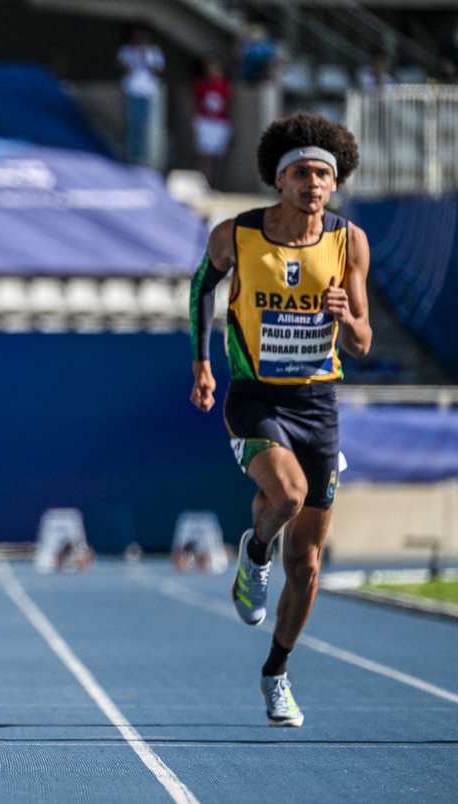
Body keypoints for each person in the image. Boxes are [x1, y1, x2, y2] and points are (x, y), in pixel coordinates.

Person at [188, 111, 371, 727]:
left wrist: (347, 317)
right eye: (301, 173)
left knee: (311, 561)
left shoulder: (349, 242)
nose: (313, 183)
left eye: (324, 173)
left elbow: (364, 341)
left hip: (319, 404)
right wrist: (201, 365)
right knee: (287, 493)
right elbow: (199, 292)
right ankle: (256, 550)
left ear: (336, 181)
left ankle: (277, 672)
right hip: (255, 396)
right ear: (279, 179)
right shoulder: (236, 235)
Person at [116, 26, 165, 165]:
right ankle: (129, 156)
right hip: (132, 91)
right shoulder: (127, 51)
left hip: (147, 92)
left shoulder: (154, 52)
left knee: (143, 126)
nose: (141, 41)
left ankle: (140, 157)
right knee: (132, 124)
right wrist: (134, 57)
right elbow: (123, 70)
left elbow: (157, 71)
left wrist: (145, 57)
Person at [192, 55, 232, 188]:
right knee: (204, 156)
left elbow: (229, 105)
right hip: (205, 122)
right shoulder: (201, 85)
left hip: (220, 124)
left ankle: (216, 184)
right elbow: (195, 104)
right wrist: (195, 121)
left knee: (217, 157)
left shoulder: (225, 86)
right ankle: (204, 184)